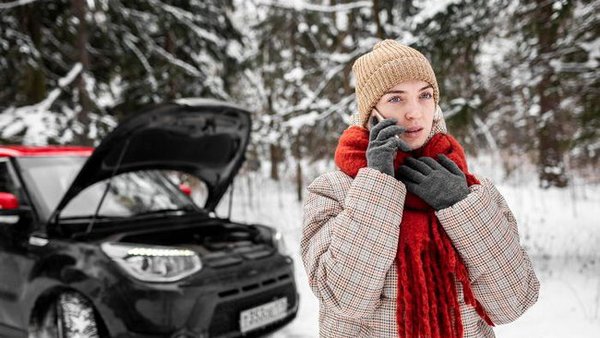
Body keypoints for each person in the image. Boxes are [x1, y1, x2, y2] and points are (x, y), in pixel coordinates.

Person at [301, 40, 539, 338]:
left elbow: (513, 302)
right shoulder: (332, 191)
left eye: (425, 95)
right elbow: (344, 298)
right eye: (396, 99)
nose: (415, 112)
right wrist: (377, 183)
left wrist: (461, 205)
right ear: (370, 111)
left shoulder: (473, 190)